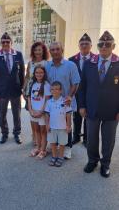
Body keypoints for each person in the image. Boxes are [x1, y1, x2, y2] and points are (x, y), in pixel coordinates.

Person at [79, 31, 119, 178]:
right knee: (91, 137)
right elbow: (82, 87)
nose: (103, 47)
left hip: (112, 111)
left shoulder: (118, 63)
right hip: (91, 108)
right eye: (100, 44)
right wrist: (82, 105)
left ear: (113, 46)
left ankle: (105, 164)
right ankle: (92, 161)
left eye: (107, 44)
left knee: (108, 139)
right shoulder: (90, 63)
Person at [45, 42, 80, 159]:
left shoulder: (71, 65)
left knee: (66, 126)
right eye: (53, 50)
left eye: (57, 49)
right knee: (54, 124)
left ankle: (67, 148)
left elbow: (75, 82)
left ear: (62, 50)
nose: (55, 52)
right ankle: (54, 144)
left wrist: (69, 96)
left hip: (66, 102)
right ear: (50, 52)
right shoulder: (47, 66)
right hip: (53, 102)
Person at [0, 32, 25, 144]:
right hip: (2, 92)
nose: (5, 44)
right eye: (3, 42)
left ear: (11, 43)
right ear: (1, 44)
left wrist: (22, 89)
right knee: (2, 115)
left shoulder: (18, 55)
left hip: (15, 90)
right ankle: (4, 133)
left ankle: (17, 133)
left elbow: (22, 73)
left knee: (17, 114)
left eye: (7, 42)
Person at [69, 33, 96, 147]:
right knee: (76, 116)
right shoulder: (72, 59)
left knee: (88, 116)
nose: (84, 45)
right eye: (82, 44)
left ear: (91, 45)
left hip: (90, 93)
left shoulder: (97, 59)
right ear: (79, 46)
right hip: (77, 93)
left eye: (86, 44)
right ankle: (76, 136)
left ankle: (86, 139)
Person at [23, 42, 49, 146]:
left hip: (42, 92)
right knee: (31, 112)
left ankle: (42, 138)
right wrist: (24, 90)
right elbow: (27, 77)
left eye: (39, 50)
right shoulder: (30, 63)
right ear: (33, 51)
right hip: (31, 91)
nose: (37, 52)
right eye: (35, 50)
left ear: (43, 51)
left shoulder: (46, 63)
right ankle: (34, 134)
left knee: (41, 114)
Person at [45, 81, 72, 167]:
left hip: (63, 127)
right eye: (52, 89)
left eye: (57, 89)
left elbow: (68, 115)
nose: (54, 91)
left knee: (62, 143)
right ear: (51, 91)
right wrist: (47, 125)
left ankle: (60, 157)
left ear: (60, 91)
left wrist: (68, 125)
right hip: (52, 127)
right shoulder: (49, 102)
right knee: (52, 143)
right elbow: (47, 115)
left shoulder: (65, 101)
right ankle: (54, 156)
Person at [28, 65, 51, 158]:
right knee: (36, 130)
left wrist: (41, 112)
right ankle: (38, 147)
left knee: (43, 131)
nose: (39, 74)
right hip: (33, 112)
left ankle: (43, 150)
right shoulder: (32, 83)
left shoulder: (46, 85)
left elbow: (47, 100)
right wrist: (30, 110)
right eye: (37, 72)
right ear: (34, 74)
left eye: (41, 72)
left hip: (42, 112)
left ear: (44, 73)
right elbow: (29, 97)